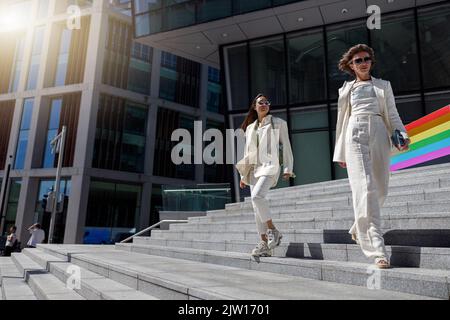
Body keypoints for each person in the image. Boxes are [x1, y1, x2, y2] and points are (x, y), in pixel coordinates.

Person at [333, 44, 410, 269]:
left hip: (378, 131)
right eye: (358, 60)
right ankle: (378, 251)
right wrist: (341, 151)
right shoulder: (346, 89)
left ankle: (359, 227)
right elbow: (341, 122)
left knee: (381, 189)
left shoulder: (383, 85)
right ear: (351, 65)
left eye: (366, 59)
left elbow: (393, 114)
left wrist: (402, 134)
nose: (363, 62)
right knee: (365, 188)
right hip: (354, 134)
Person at [239, 93, 295, 257]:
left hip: (270, 166)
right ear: (254, 107)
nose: (264, 104)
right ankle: (264, 244)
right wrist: (243, 175)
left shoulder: (278, 123)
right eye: (260, 103)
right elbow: (248, 152)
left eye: (266, 102)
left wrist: (288, 168)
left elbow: (286, 146)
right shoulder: (250, 128)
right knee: (256, 208)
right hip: (254, 169)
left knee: (257, 197)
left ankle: (273, 230)